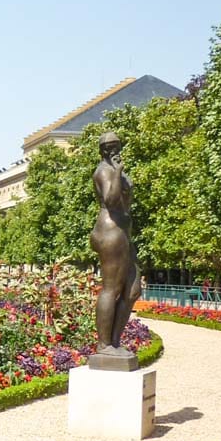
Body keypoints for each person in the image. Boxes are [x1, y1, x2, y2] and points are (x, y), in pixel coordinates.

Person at [90, 132, 142, 354]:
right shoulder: (104, 171)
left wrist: (125, 182)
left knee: (133, 290)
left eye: (117, 146)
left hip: (122, 231)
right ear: (103, 151)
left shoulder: (114, 171)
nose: (116, 151)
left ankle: (114, 342)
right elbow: (111, 201)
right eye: (111, 148)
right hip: (110, 231)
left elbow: (125, 203)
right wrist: (118, 173)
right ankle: (104, 345)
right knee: (111, 288)